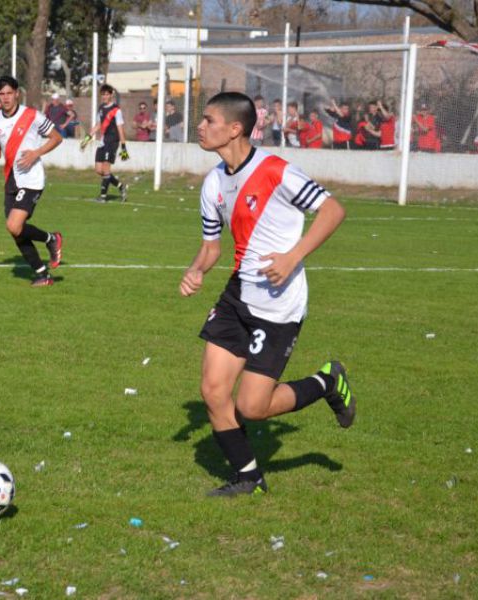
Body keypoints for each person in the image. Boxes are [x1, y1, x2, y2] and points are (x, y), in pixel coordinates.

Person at [179, 91, 354, 497]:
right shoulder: (212, 182)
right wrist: (196, 270)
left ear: (235, 128)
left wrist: (294, 256)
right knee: (213, 391)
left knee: (251, 408)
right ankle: (249, 478)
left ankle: (326, 382)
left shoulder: (277, 171)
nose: (200, 127)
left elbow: (333, 211)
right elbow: (211, 248)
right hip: (238, 294)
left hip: (279, 303)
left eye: (208, 120)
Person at [0, 75, 64, 287]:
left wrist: (36, 153)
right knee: (15, 230)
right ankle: (43, 274)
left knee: (14, 225)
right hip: (11, 179)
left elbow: (57, 138)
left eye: (9, 93)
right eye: (1, 94)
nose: (6, 98)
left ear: (17, 93)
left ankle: (51, 239)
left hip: (32, 179)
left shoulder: (32, 116)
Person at [80, 84, 129, 202]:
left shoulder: (116, 110)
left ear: (111, 95)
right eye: (103, 94)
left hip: (112, 142)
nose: (104, 96)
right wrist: (86, 139)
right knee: (99, 170)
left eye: (107, 94)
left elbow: (120, 128)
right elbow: (98, 125)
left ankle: (103, 197)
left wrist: (123, 147)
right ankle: (121, 186)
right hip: (102, 142)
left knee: (106, 170)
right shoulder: (101, 108)